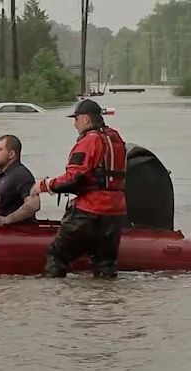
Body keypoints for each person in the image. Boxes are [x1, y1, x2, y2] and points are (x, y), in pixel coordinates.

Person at [29, 99, 126, 278]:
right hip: (115, 212)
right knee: (105, 264)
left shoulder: (89, 141)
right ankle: (107, 302)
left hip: (90, 210)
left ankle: (53, 299)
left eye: (76, 119)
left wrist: (44, 185)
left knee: (56, 256)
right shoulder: (115, 138)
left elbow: (74, 178)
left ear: (86, 119)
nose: (74, 124)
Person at [0, 134, 40, 225]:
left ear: (11, 154)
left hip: (18, 232)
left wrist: (6, 220)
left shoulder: (21, 175)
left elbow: (34, 204)